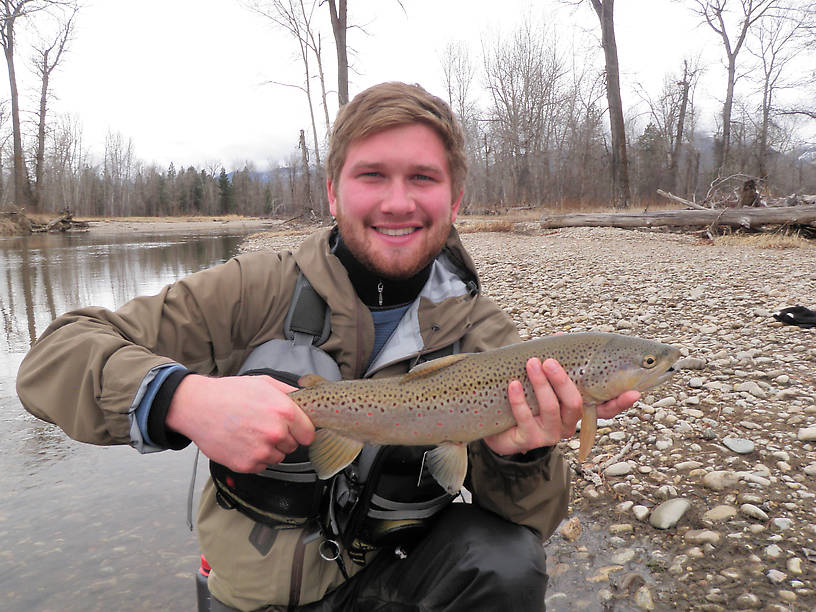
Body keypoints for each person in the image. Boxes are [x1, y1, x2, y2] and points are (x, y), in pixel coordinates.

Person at [17, 82, 639, 612]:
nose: (398, 202)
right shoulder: (255, 289)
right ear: (335, 192)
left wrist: (520, 458)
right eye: (372, 176)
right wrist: (181, 398)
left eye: (422, 178)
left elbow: (535, 516)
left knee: (508, 560)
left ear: (455, 201)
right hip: (251, 594)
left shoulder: (488, 338)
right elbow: (54, 357)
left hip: (395, 581)